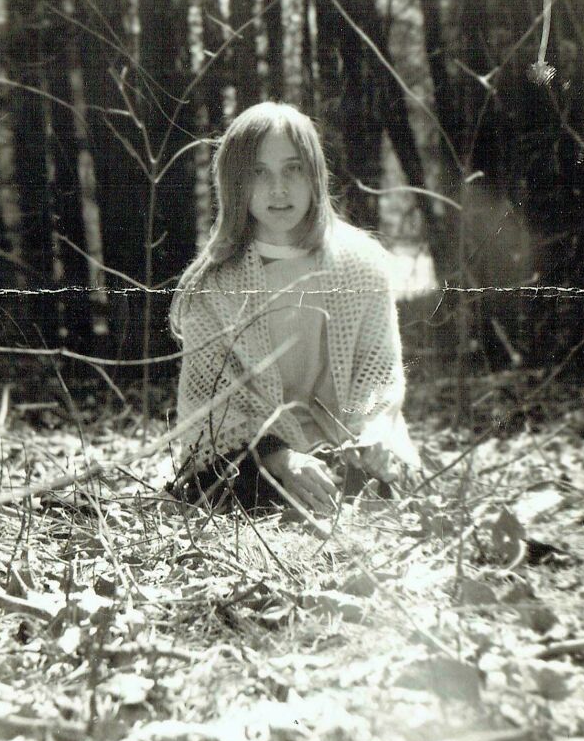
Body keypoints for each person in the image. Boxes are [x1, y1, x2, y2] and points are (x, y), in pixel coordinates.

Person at [169, 102, 420, 513]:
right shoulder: (214, 285)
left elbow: (379, 370)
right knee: (237, 494)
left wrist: (373, 432)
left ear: (315, 174)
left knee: (385, 487)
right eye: (258, 173)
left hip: (346, 446)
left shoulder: (362, 263)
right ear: (235, 182)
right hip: (253, 458)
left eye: (293, 169)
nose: (278, 189)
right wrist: (280, 458)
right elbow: (212, 412)